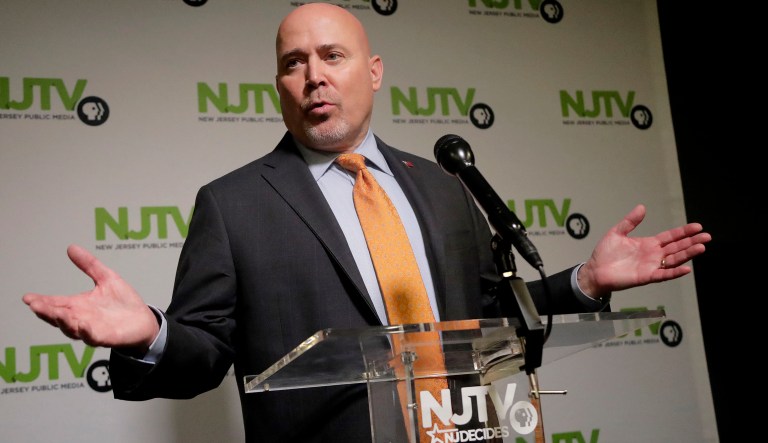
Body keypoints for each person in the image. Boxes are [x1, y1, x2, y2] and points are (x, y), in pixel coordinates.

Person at [22, 3, 711, 442]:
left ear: (373, 71)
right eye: (294, 63)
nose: (313, 76)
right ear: (279, 87)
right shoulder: (232, 204)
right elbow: (204, 350)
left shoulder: (440, 183)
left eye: (332, 56)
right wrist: (152, 331)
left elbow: (490, 309)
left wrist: (585, 280)